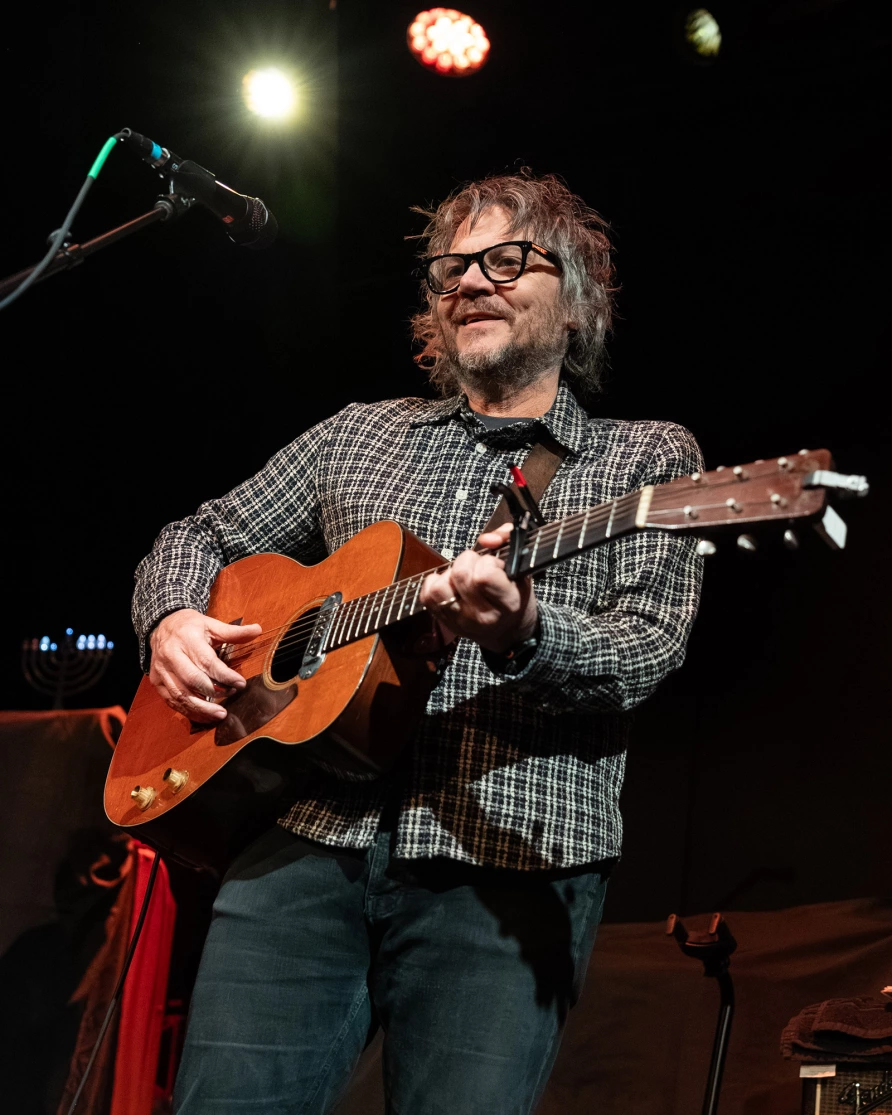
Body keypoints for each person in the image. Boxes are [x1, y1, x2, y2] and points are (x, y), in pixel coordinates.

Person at [132, 171, 703, 1115]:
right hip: (304, 845)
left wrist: (525, 629)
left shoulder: (644, 459)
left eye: (507, 259)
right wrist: (173, 618)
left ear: (578, 301)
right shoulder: (358, 434)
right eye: (451, 267)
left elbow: (646, 647)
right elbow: (200, 534)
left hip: (510, 862)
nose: (471, 281)